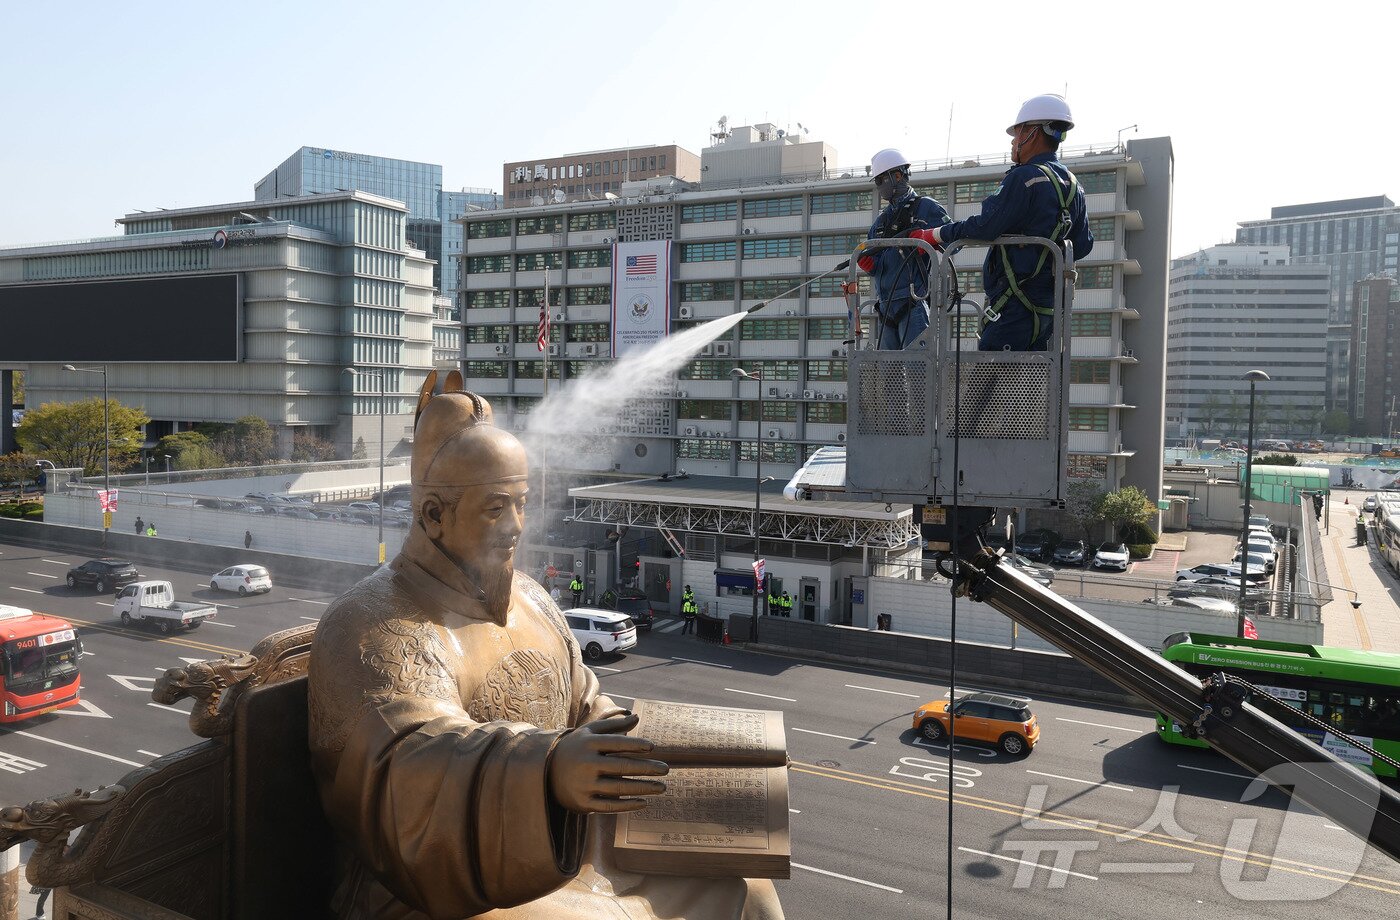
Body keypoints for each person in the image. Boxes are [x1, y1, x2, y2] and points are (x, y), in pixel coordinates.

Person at [308, 382, 780, 919]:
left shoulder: (531, 598)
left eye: (521, 504)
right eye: (495, 509)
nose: (515, 526)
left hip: (568, 845)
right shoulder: (374, 624)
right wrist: (549, 767)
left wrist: (647, 750)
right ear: (434, 515)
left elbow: (586, 702)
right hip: (435, 892)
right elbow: (412, 773)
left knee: (746, 885)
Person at [919, 94, 1094, 351]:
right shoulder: (1073, 185)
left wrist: (934, 234)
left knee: (990, 374)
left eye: (1017, 132)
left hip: (1014, 307)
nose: (1013, 140)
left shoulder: (1025, 178)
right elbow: (1083, 245)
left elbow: (985, 226)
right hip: (1048, 308)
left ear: (1033, 132)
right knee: (1032, 374)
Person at [857, 147, 951, 350]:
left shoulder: (926, 208)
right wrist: (871, 265)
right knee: (888, 367)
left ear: (898, 176)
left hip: (913, 302)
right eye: (876, 182)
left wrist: (927, 242)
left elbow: (953, 242)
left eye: (881, 180)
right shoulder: (882, 221)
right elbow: (878, 262)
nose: (879, 186)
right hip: (885, 306)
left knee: (917, 365)